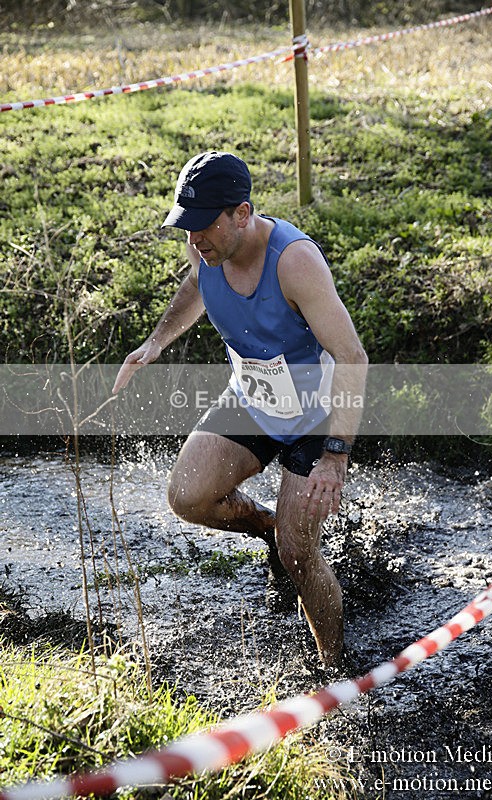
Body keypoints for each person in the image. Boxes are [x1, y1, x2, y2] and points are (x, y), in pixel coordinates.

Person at [113, 151, 368, 668]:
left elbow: (352, 357)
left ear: (242, 214)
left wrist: (334, 459)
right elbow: (196, 288)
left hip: (314, 419)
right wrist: (156, 343)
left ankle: (335, 672)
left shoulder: (294, 262)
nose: (193, 241)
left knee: (300, 553)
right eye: (186, 230)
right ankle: (269, 527)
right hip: (253, 401)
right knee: (188, 495)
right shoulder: (205, 250)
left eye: (203, 228)